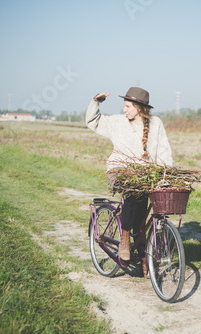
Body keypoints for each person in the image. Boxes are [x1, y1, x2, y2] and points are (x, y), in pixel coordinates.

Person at [86, 87, 173, 276]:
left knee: (142, 213)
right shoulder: (118, 122)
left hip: (143, 174)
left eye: (127, 106)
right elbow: (93, 121)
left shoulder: (155, 124)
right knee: (133, 194)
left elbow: (164, 151)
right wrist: (96, 102)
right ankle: (125, 239)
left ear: (139, 108)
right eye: (124, 106)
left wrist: (165, 175)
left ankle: (143, 255)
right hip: (119, 170)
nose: (124, 110)